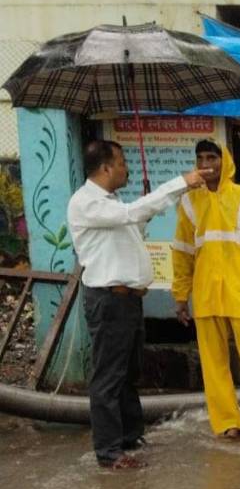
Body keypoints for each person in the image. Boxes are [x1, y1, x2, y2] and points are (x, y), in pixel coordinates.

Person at [68, 139, 208, 469]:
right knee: (109, 378)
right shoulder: (87, 203)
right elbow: (132, 214)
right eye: (121, 162)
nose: (126, 168)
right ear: (105, 167)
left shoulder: (111, 203)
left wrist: (158, 206)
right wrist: (179, 183)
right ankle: (109, 452)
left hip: (128, 302)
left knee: (129, 373)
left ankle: (131, 437)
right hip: (109, 302)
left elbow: (134, 221)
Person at [172, 140, 240, 440]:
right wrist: (181, 296)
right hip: (206, 293)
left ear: (225, 161)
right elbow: (182, 252)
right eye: (200, 158)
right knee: (213, 363)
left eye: (212, 157)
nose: (206, 164)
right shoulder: (188, 202)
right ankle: (227, 423)